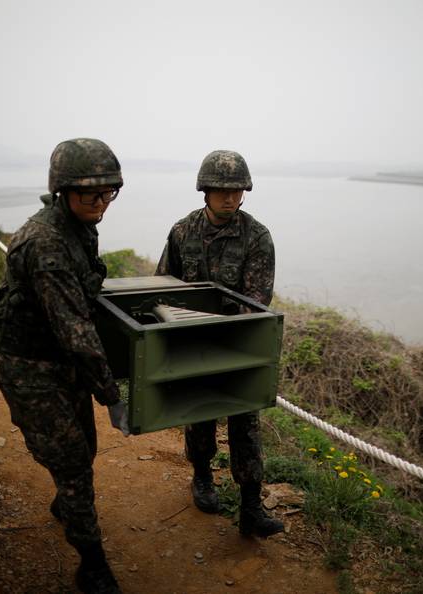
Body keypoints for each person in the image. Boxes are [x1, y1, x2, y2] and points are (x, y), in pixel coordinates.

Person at [0, 138, 128, 594]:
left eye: (110, 192)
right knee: (73, 465)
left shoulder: (79, 224)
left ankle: (65, 501)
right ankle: (92, 564)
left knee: (82, 449)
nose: (102, 203)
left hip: (61, 362)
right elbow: (76, 332)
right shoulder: (44, 243)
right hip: (29, 366)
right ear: (63, 191)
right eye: (92, 194)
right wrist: (112, 395)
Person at [156, 150, 284, 538]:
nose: (230, 198)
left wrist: (229, 344)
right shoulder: (182, 231)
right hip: (192, 343)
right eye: (221, 190)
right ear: (206, 190)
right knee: (199, 417)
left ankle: (250, 506)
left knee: (245, 425)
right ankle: (201, 478)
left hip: (237, 349)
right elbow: (163, 284)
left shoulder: (256, 237)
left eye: (237, 190)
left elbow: (257, 298)